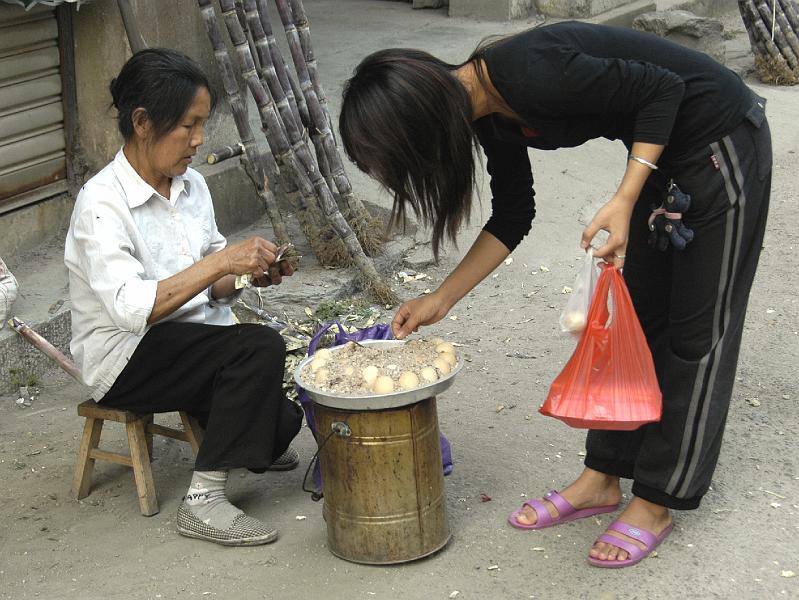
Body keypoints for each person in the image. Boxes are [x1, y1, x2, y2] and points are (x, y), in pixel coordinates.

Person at [338, 21, 771, 567]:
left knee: (695, 337)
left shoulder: (526, 71)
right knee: (631, 325)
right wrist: (440, 299)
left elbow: (666, 89)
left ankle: (659, 499)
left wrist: (623, 197)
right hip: (661, 160)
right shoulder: (487, 113)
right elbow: (515, 214)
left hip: (720, 144)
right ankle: (601, 478)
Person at [65, 48, 303, 547]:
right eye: (188, 127)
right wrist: (222, 261)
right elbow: (135, 310)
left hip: (189, 341)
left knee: (283, 427)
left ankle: (234, 432)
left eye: (202, 126)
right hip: (126, 357)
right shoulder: (101, 204)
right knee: (258, 349)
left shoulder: (191, 185)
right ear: (143, 122)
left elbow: (214, 282)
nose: (198, 142)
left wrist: (249, 274)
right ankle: (205, 501)